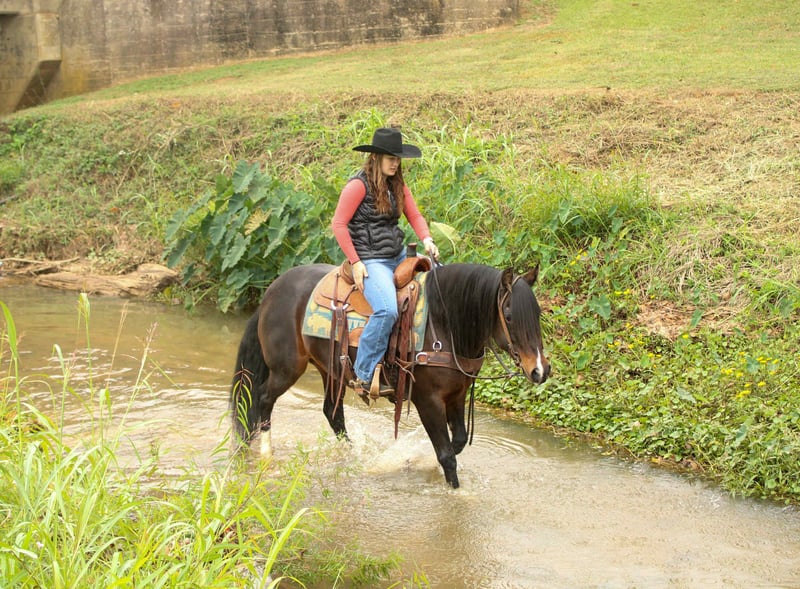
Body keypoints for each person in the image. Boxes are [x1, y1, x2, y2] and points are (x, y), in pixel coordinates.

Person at [331, 127, 439, 396]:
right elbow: (339, 224)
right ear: (376, 157)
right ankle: (363, 374)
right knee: (387, 310)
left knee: (440, 276)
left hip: (397, 254)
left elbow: (415, 215)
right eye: (391, 158)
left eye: (398, 158)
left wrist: (427, 239)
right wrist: (356, 262)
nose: (395, 163)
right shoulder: (358, 186)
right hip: (371, 260)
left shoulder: (397, 185)